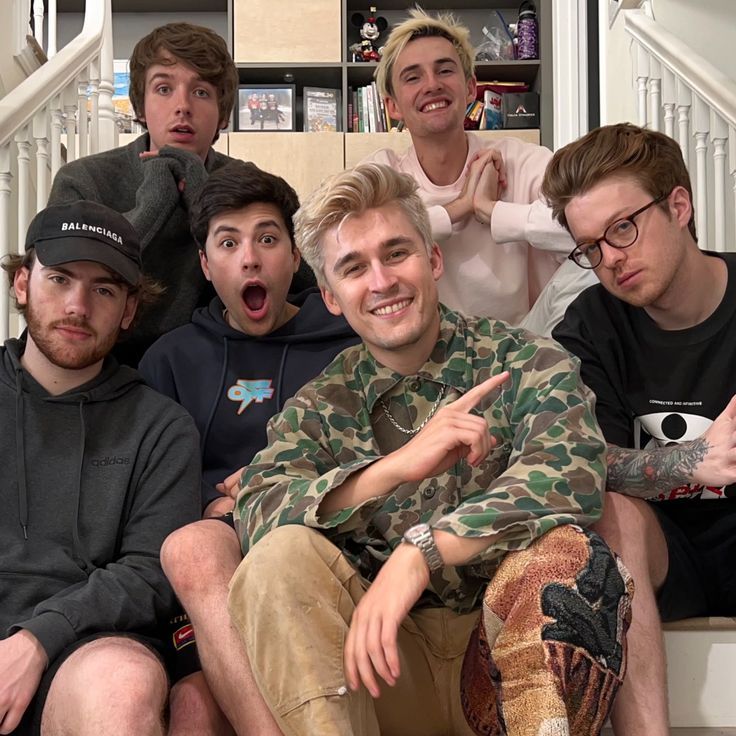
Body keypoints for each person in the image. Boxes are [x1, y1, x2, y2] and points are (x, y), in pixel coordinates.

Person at [227, 162, 633, 736]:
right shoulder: (322, 404)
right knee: (277, 559)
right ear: (332, 297)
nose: (382, 281)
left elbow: (569, 474)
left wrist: (422, 552)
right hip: (385, 669)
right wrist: (390, 470)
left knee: (567, 555)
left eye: (397, 253)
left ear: (433, 260)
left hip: (503, 657)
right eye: (354, 267)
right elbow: (257, 508)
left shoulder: (524, 362)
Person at [139, 160, 358, 734]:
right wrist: (209, 504)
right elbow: (150, 485)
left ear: (294, 256)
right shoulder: (170, 358)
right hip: (213, 559)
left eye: (267, 238)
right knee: (192, 706)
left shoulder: (349, 341)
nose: (250, 258)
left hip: (323, 538)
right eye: (228, 243)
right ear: (207, 266)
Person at [545, 122, 736, 736]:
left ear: (679, 205)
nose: (610, 259)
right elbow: (571, 460)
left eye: (622, 228)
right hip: (662, 554)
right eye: (591, 247)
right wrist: (693, 463)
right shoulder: (591, 326)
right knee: (605, 510)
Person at [0, 200, 200, 736]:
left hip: (85, 648)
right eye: (60, 279)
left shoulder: (161, 427)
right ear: (22, 283)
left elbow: (150, 575)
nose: (77, 305)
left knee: (122, 685)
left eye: (104, 289)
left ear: (130, 310)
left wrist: (39, 637)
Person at [47, 22, 313, 365]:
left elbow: (306, 285)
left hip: (218, 367)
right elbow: (62, 290)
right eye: (163, 89)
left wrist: (207, 202)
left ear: (222, 115)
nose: (183, 106)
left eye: (201, 92)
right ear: (140, 107)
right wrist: (154, 203)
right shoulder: (85, 179)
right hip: (102, 365)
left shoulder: (248, 182)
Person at [366, 9, 597, 336]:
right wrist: (459, 208)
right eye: (413, 77)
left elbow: (594, 229)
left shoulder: (521, 160)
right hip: (421, 345)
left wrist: (492, 210)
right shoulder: (382, 173)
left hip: (521, 345)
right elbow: (357, 249)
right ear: (392, 106)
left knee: (596, 267)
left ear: (471, 87)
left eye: (444, 70)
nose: (432, 85)